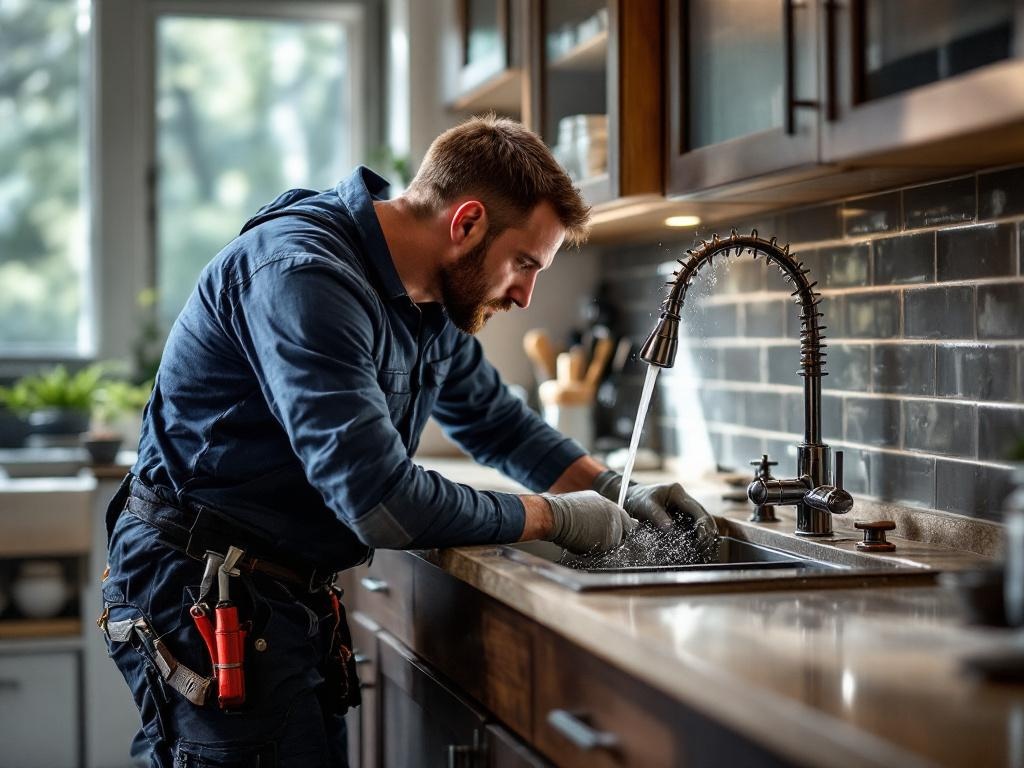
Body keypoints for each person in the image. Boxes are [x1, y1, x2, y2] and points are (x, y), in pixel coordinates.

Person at [100, 115, 716, 767]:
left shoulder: (428, 297)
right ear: (468, 223)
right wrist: (555, 518)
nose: (527, 295)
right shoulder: (305, 274)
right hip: (200, 588)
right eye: (524, 264)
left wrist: (615, 487)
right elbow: (382, 501)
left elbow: (495, 421)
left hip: (276, 592)